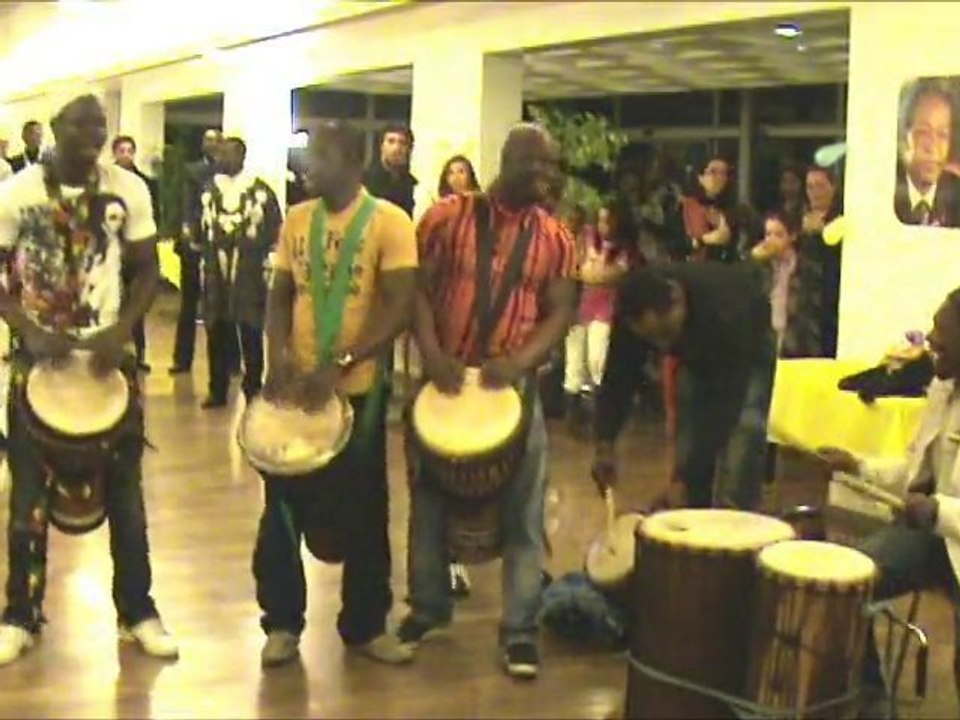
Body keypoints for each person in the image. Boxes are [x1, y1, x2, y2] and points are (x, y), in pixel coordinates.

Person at [396, 123, 578, 678]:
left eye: (551, 165)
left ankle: (520, 629)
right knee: (428, 505)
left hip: (511, 390)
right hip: (446, 380)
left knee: (524, 512)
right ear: (507, 159)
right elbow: (417, 290)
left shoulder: (556, 238)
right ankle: (428, 608)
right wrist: (431, 353)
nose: (545, 175)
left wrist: (520, 362)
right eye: (535, 163)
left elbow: (560, 311)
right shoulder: (446, 218)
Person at [0, 94, 177, 665]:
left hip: (106, 360)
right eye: (82, 124)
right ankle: (20, 614)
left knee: (126, 496)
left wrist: (121, 330)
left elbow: (147, 269)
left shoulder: (130, 189)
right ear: (56, 128)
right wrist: (28, 327)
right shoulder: (17, 193)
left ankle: (138, 611)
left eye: (100, 124)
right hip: (40, 363)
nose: (94, 134)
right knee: (28, 498)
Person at [255, 120, 417, 668]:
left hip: (357, 393)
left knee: (365, 509)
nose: (306, 166)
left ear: (351, 160)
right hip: (298, 388)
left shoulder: (389, 222)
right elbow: (280, 295)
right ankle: (281, 623)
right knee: (281, 505)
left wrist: (345, 362)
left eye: (318, 156)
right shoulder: (297, 219)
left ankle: (366, 626)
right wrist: (277, 356)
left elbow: (399, 305)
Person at [818, 287, 960, 718]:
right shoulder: (942, 387)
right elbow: (913, 470)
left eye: (942, 331)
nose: (930, 339)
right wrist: (858, 465)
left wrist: (936, 510)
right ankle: (872, 700)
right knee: (847, 582)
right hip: (933, 538)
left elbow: (933, 502)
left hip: (947, 532)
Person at [592, 262, 775, 510]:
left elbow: (726, 404)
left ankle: (736, 517)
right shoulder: (635, 310)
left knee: (744, 431)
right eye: (651, 340)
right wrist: (605, 443)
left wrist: (683, 477)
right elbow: (618, 377)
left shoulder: (726, 309)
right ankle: (692, 512)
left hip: (748, 348)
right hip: (700, 350)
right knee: (689, 429)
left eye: (666, 333)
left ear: (678, 300)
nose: (663, 346)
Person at [198, 137, 282, 408]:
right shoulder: (209, 189)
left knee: (250, 329)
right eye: (220, 153)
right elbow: (198, 228)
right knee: (216, 330)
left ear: (242, 156)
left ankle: (254, 386)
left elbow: (274, 228)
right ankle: (217, 388)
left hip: (249, 271)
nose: (221, 157)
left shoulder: (260, 191)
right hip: (216, 271)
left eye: (228, 153)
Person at [564, 202, 632, 431]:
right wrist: (591, 273)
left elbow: (614, 274)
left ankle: (599, 411)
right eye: (600, 219)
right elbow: (576, 268)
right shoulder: (586, 238)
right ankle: (574, 414)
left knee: (597, 358)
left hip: (605, 307)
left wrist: (591, 273)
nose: (603, 225)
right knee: (575, 360)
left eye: (608, 220)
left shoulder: (623, 248)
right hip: (579, 305)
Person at [170, 128, 222, 376]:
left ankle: (227, 363)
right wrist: (186, 230)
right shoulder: (192, 171)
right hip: (193, 245)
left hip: (217, 246)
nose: (210, 145)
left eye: (215, 141)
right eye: (207, 140)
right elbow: (185, 204)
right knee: (188, 304)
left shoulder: (225, 173)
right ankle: (182, 359)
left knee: (221, 308)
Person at [112, 135, 159, 373]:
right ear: (114, 153)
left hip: (138, 252)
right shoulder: (105, 183)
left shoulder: (146, 183)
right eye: (121, 150)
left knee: (136, 305)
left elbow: (153, 217)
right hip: (112, 253)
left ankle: (139, 355)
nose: (126, 155)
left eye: (130, 150)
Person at [894, 79, 960, 228]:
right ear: (903, 136)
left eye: (942, 135)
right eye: (923, 132)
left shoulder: (956, 194)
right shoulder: (880, 186)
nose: (933, 148)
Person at [364, 124, 417, 218]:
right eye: (391, 141)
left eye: (403, 143)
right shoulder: (365, 181)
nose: (397, 148)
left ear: (409, 149)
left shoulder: (412, 185)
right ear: (382, 146)